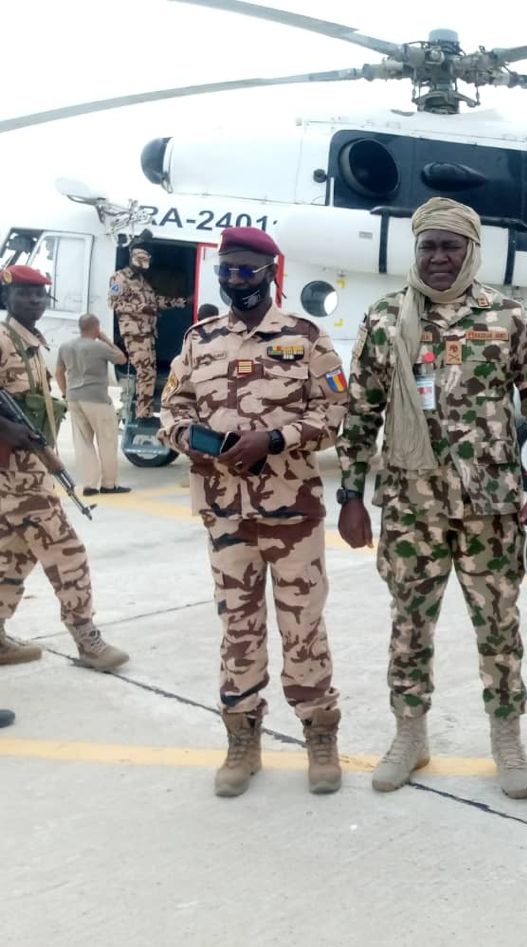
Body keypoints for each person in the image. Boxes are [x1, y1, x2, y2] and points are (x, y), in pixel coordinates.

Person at [337, 197, 527, 798]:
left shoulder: (509, 318)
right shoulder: (385, 318)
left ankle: (507, 740)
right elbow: (359, 412)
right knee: (409, 625)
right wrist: (351, 493)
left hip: (492, 508)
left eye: (450, 246)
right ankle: (410, 736)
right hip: (411, 507)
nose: (438, 257)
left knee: (499, 627)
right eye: (428, 246)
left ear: (472, 250)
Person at [159, 227, 348, 798]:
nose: (234, 280)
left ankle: (319, 734)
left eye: (246, 270)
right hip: (225, 512)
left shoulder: (306, 338)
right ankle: (242, 738)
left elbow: (334, 412)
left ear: (270, 274)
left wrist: (274, 439)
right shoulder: (200, 339)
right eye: (226, 270)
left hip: (292, 513)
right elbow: (171, 409)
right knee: (237, 626)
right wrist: (194, 442)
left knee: (302, 625)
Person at [0, 265, 129, 671]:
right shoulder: (3, 340)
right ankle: (86, 638)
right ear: (7, 297)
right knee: (67, 552)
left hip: (25, 471)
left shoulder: (30, 342)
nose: (34, 301)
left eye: (40, 294)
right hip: (16, 477)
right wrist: (8, 429)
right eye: (25, 294)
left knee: (15, 554)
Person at [108, 235, 188, 423]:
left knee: (148, 371)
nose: (140, 268)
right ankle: (143, 414)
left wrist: (182, 302)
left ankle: (144, 411)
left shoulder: (142, 280)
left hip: (147, 332)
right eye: (139, 264)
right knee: (145, 372)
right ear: (132, 258)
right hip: (134, 333)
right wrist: (140, 308)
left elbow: (155, 301)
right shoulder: (119, 278)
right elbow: (113, 303)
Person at [55, 313, 130, 497]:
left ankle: (89, 485)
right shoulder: (99, 347)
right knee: (107, 440)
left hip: (74, 398)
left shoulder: (65, 346)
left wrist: (65, 393)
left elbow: (58, 373)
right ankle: (109, 484)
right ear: (96, 328)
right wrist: (106, 339)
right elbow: (122, 358)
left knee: (83, 442)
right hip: (97, 399)